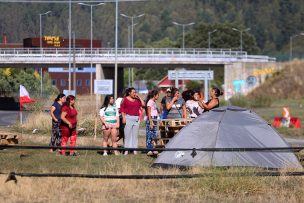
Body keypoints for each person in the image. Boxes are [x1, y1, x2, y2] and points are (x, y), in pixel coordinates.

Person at [120, 87, 145, 155]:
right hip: (128, 118)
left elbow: (143, 104)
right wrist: (123, 118)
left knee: (135, 135)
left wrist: (139, 97)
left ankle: (134, 150)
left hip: (136, 118)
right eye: (133, 92)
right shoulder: (125, 99)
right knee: (127, 135)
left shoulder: (137, 100)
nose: (135, 93)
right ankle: (126, 150)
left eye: (135, 92)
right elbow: (122, 109)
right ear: (129, 93)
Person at [145, 90, 159, 156]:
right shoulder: (150, 102)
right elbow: (149, 112)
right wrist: (150, 122)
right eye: (157, 95)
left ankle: (154, 148)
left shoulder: (154, 102)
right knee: (149, 134)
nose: (158, 96)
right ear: (154, 95)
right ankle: (149, 149)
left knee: (154, 134)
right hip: (151, 119)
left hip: (155, 118)